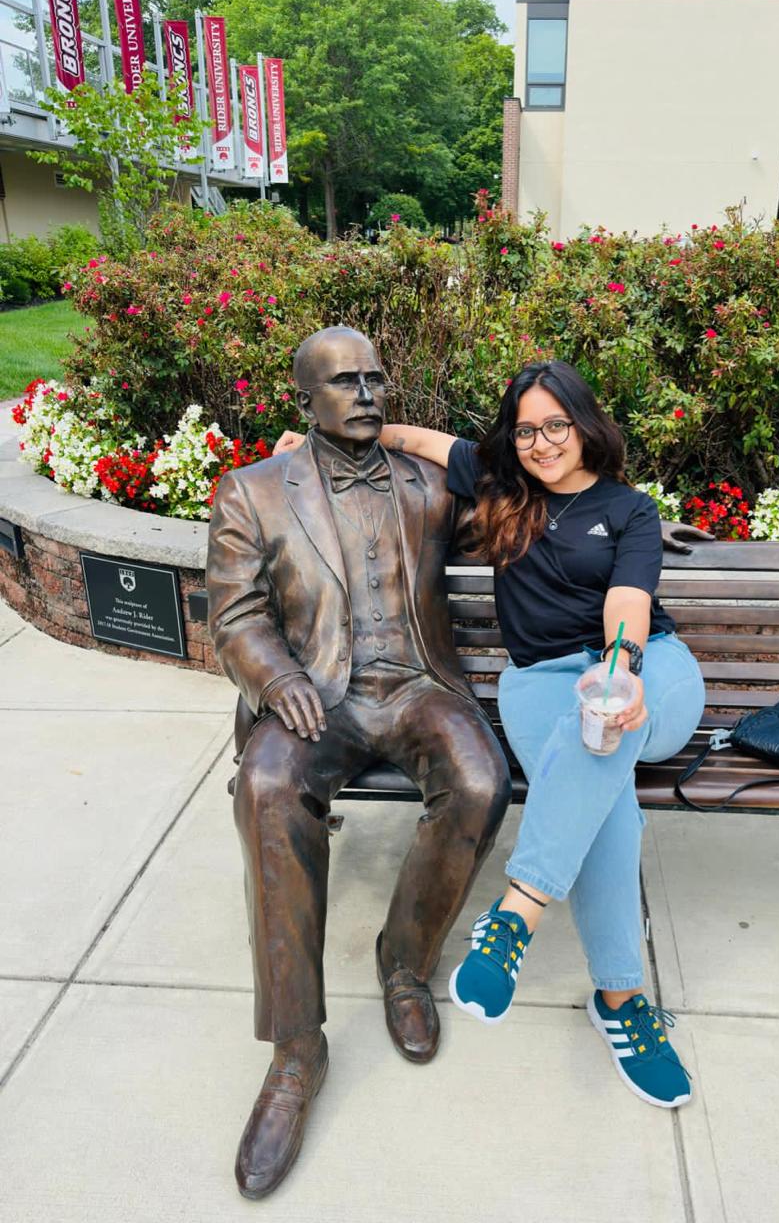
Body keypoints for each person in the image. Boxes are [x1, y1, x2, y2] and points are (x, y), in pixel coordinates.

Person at [276, 357, 706, 1109]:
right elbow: (409, 437)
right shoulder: (497, 483)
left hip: (646, 671)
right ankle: (620, 1003)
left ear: (583, 424)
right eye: (526, 429)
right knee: (604, 788)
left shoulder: (627, 509)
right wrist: (300, 447)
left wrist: (621, 674)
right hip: (539, 683)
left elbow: (629, 601)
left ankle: (516, 915)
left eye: (555, 426)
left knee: (601, 725)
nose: (541, 443)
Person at [206, 326, 511, 1199]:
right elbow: (233, 616)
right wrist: (274, 677)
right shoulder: (253, 491)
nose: (367, 392)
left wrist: (629, 531)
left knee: (480, 782)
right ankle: (297, 1050)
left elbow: (520, 509)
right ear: (304, 397)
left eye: (377, 378)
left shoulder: (423, 484)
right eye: (345, 382)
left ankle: (404, 960)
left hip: (417, 686)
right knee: (266, 788)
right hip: (318, 694)